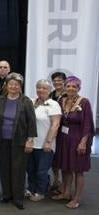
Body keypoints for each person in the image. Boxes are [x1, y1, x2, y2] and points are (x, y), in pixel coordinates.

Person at [0, 73, 37, 210]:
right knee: (4, 168)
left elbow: (31, 122)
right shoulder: (1, 100)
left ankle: (18, 198)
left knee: (18, 170)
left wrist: (30, 140)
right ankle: (7, 194)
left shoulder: (26, 101)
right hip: (3, 140)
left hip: (20, 140)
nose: (13, 87)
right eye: (11, 84)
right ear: (7, 85)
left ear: (20, 86)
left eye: (16, 85)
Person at [52, 76, 94, 209]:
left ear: (79, 88)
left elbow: (88, 125)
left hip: (78, 140)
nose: (70, 89)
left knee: (78, 170)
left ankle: (76, 199)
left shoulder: (84, 102)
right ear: (65, 87)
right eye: (68, 86)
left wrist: (83, 142)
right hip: (63, 140)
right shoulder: (61, 100)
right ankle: (66, 193)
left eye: (74, 87)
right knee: (65, 168)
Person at [25, 79, 61, 201]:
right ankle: (31, 188)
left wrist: (48, 142)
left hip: (45, 144)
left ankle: (40, 192)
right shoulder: (32, 102)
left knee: (41, 171)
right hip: (31, 143)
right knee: (30, 169)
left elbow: (55, 125)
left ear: (50, 90)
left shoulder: (53, 104)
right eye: (39, 87)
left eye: (44, 88)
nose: (41, 90)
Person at [49, 71, 67, 192]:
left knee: (62, 156)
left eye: (60, 80)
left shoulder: (69, 94)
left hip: (63, 130)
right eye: (55, 80)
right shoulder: (50, 94)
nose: (57, 82)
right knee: (53, 156)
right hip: (51, 127)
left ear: (64, 81)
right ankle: (56, 179)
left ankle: (63, 184)